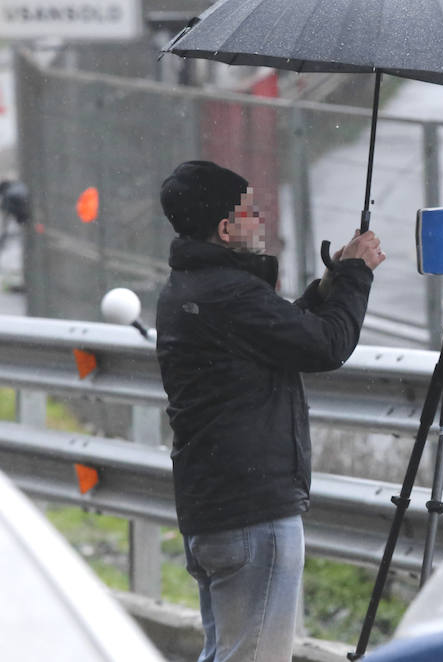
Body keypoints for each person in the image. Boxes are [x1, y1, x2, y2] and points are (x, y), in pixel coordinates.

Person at [155, 160, 385, 662]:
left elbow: (281, 331)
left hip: (212, 510)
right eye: (250, 211)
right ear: (224, 228)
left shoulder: (186, 290)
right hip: (253, 515)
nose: (261, 219)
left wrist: (333, 281)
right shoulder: (232, 295)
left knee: (227, 653)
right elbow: (325, 345)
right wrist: (357, 277)